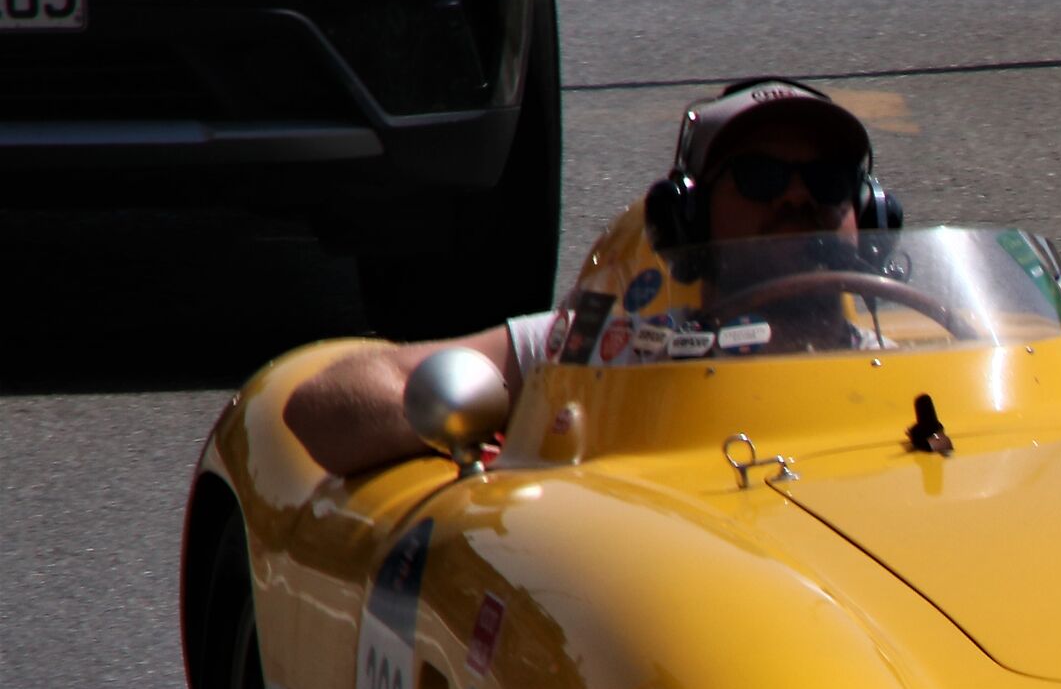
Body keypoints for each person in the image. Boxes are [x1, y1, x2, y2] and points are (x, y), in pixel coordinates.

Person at [285, 80, 892, 475]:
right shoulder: (610, 346)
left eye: (828, 181)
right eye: (761, 177)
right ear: (687, 218)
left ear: (866, 214)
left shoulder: (936, 356)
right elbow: (321, 409)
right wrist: (470, 425)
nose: (796, 198)